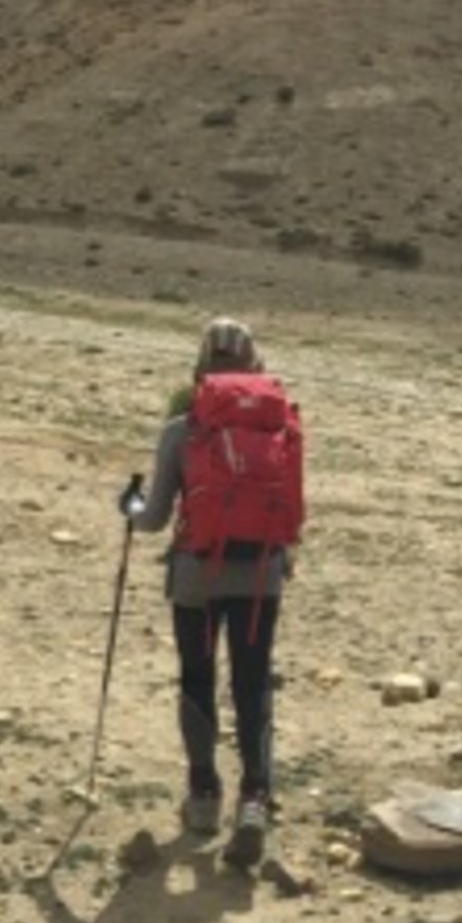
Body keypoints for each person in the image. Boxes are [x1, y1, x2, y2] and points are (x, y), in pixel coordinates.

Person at [122, 317, 304, 853]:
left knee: (197, 677)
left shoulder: (182, 429)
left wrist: (129, 506)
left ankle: (203, 795)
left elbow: (153, 517)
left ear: (200, 367)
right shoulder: (280, 426)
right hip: (260, 577)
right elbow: (292, 510)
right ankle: (255, 797)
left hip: (196, 577)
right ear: (256, 367)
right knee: (252, 681)